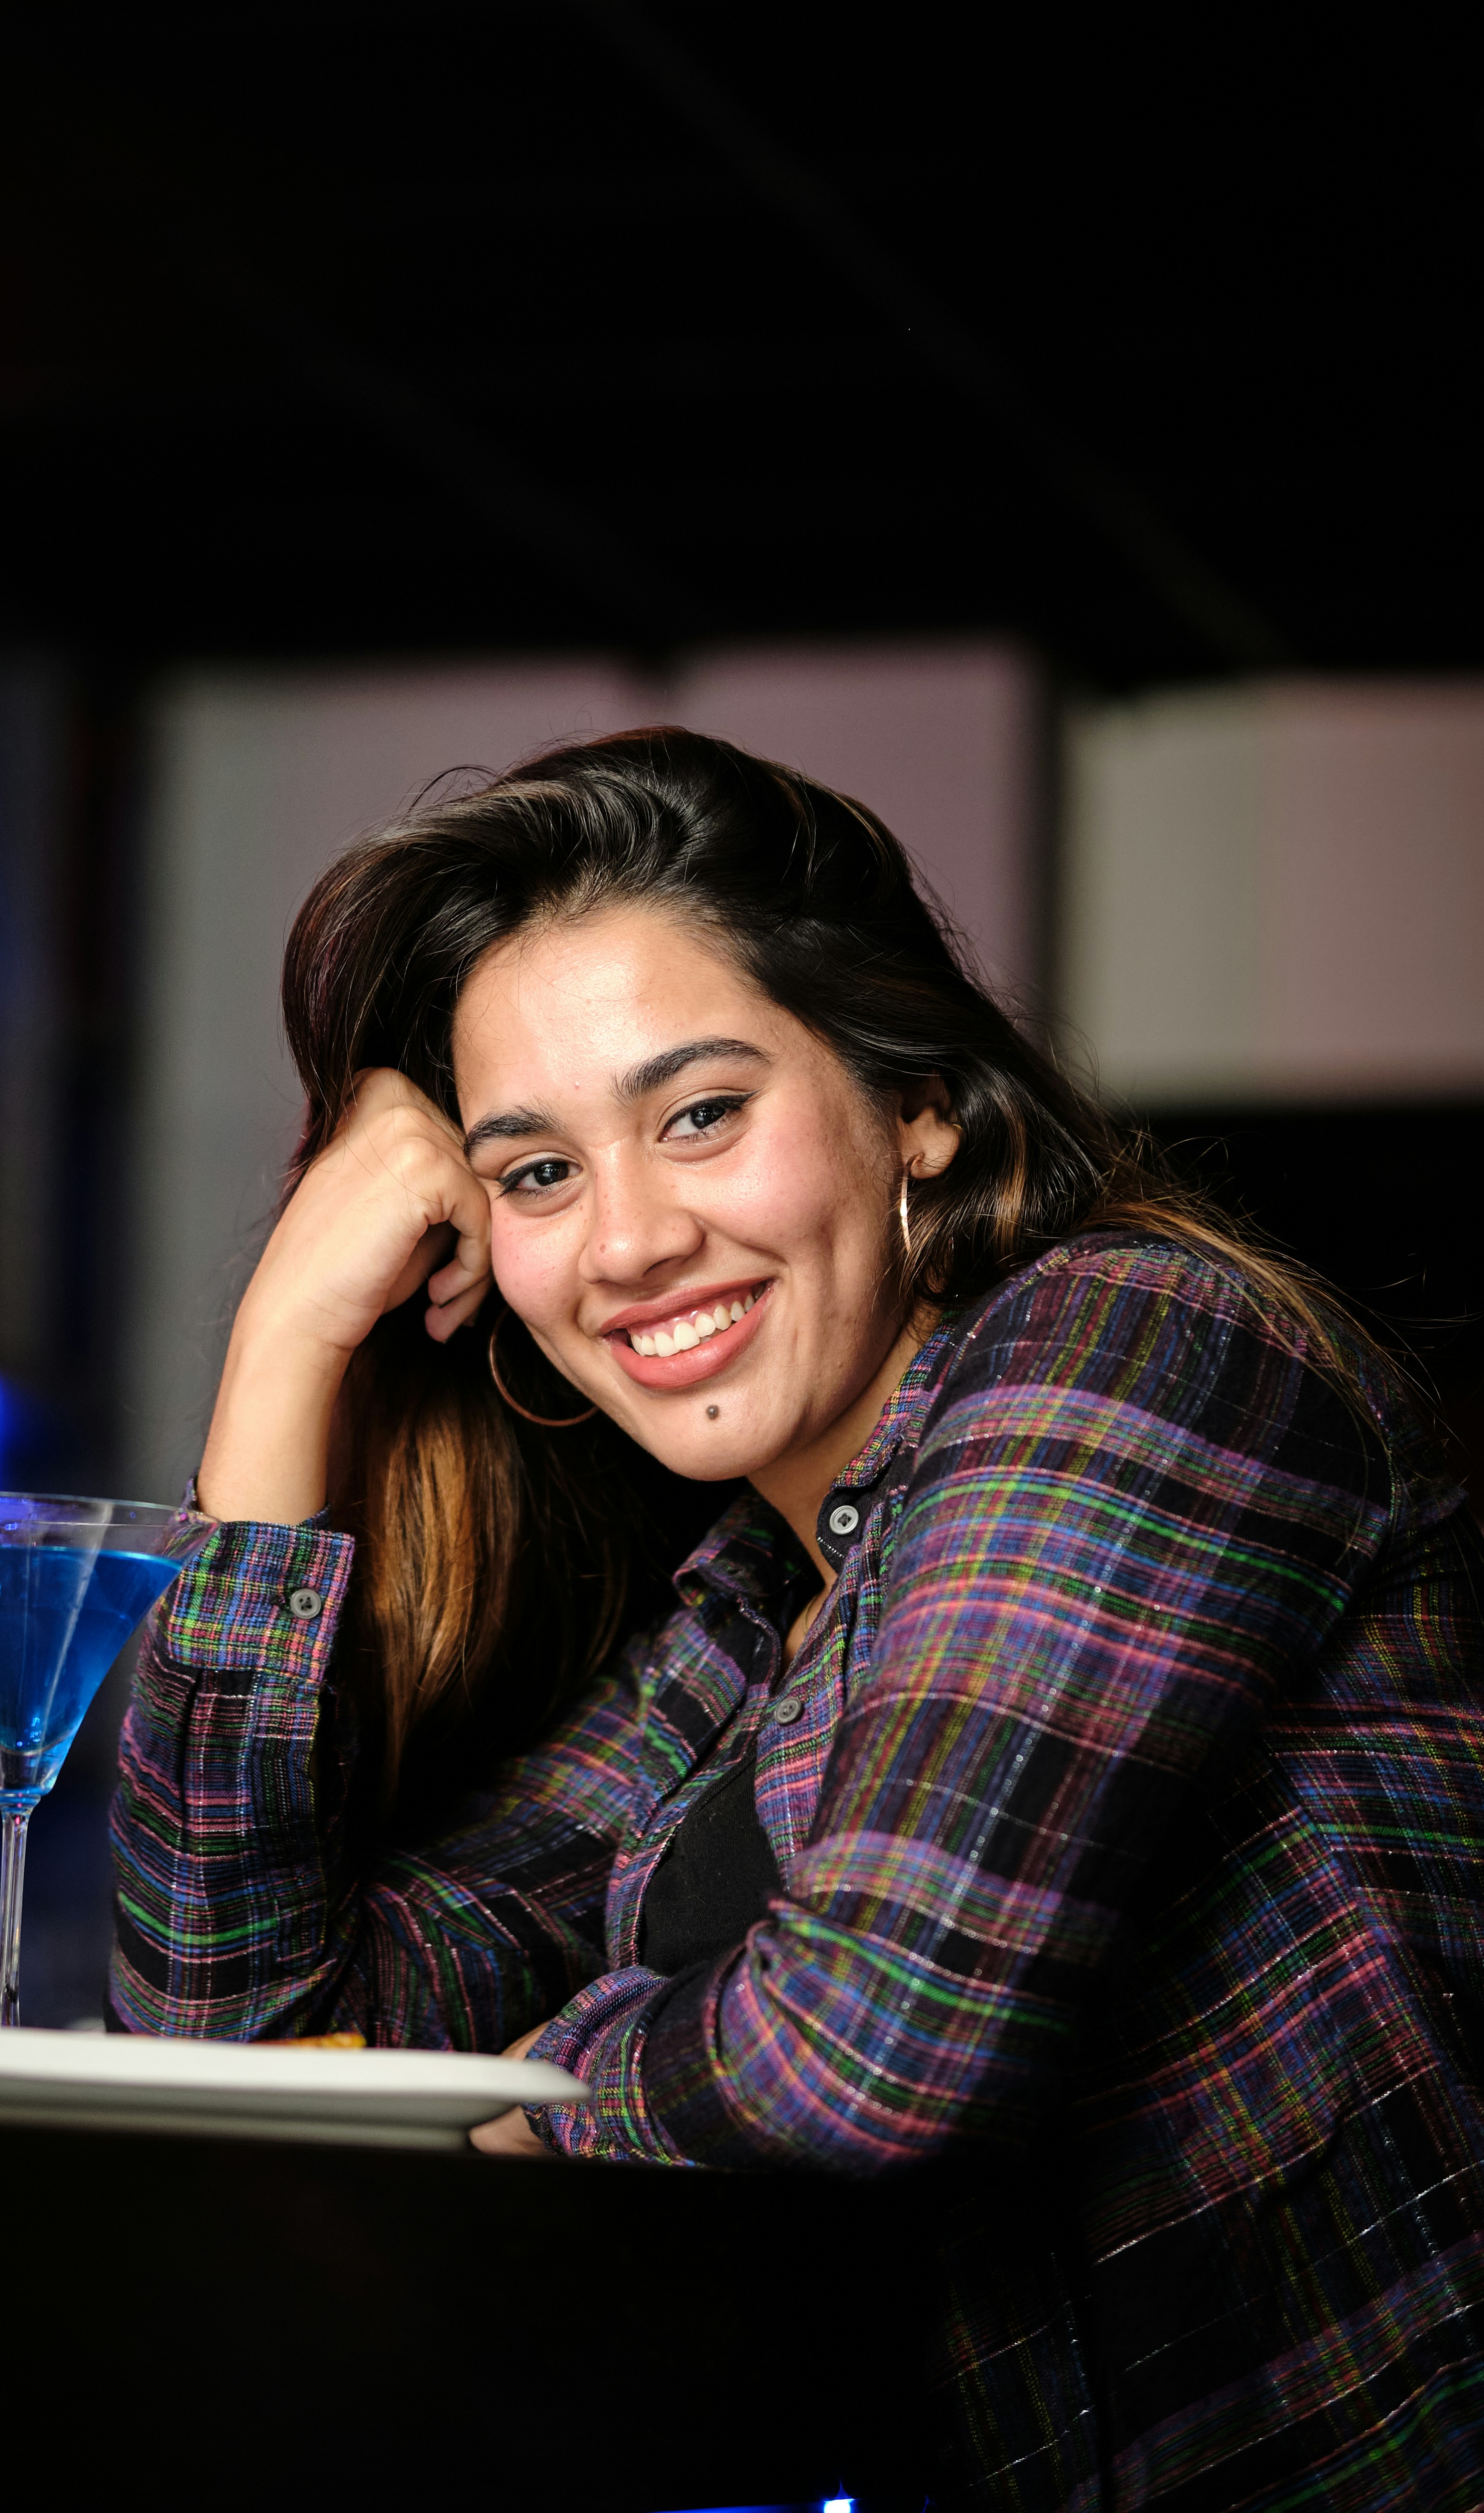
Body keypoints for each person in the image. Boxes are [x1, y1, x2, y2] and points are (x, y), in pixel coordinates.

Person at [108, 728, 1484, 2510]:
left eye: (700, 1115)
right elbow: (242, 2048)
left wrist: (524, 2090)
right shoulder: (752, 1619)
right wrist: (281, 1352)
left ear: (917, 1103)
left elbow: (872, 2043)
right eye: (536, 1175)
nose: (625, 1245)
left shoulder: (1146, 1345)